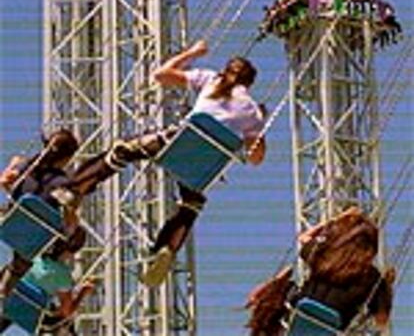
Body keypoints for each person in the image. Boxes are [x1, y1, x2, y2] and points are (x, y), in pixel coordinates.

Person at [63, 40, 266, 286]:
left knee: (123, 149)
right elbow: (256, 159)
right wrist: (257, 130)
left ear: (227, 70)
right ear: (250, 84)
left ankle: (77, 188)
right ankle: (166, 247)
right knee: (191, 204)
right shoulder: (252, 112)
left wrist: (192, 53)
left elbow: (160, 75)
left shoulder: (211, 79)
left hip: (178, 143)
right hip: (201, 166)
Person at [246, 207, 395, 335]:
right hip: (332, 326)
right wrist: (386, 285)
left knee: (279, 288)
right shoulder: (372, 276)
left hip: (301, 311)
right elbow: (381, 317)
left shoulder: (325, 256)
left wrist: (335, 220)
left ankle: (262, 303)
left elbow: (304, 237)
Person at [0, 129, 80, 301]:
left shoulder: (26, 167)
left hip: (10, 222)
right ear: (67, 158)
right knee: (21, 261)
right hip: (31, 237)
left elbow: (5, 182)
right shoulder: (63, 183)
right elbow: (69, 221)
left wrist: (13, 167)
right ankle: (5, 290)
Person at [0, 214, 94, 335]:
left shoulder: (32, 251)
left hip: (9, 298)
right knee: (62, 322)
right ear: (73, 250)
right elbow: (66, 311)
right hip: (30, 315)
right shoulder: (63, 276)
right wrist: (83, 292)